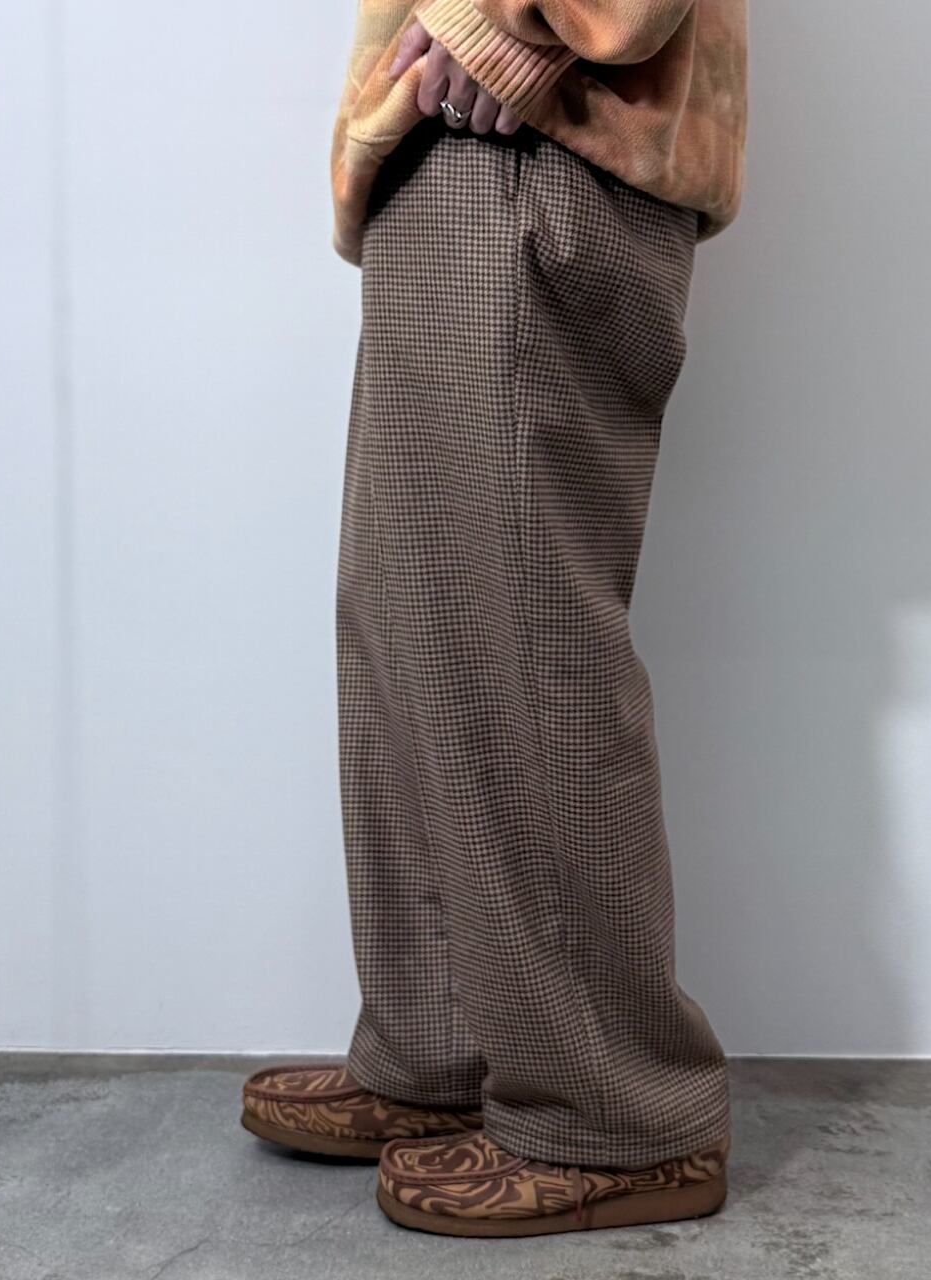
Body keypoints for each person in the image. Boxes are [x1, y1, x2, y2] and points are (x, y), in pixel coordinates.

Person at [241, 0, 749, 1238]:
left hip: (539, 128)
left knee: (517, 640)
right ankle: (446, 1048)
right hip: (463, 129)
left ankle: (613, 1108)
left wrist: (519, 26)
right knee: (418, 619)